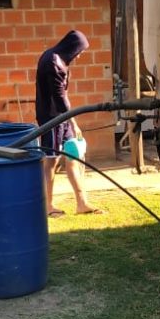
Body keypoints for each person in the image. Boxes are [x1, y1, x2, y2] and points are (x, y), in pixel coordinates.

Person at [35, 30, 100, 217]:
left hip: (62, 116)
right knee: (51, 161)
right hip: (51, 118)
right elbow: (60, 98)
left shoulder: (60, 59)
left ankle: (82, 203)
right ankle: (48, 206)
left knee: (73, 154)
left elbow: (63, 95)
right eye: (79, 51)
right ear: (72, 47)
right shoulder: (53, 62)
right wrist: (74, 122)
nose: (79, 56)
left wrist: (70, 121)